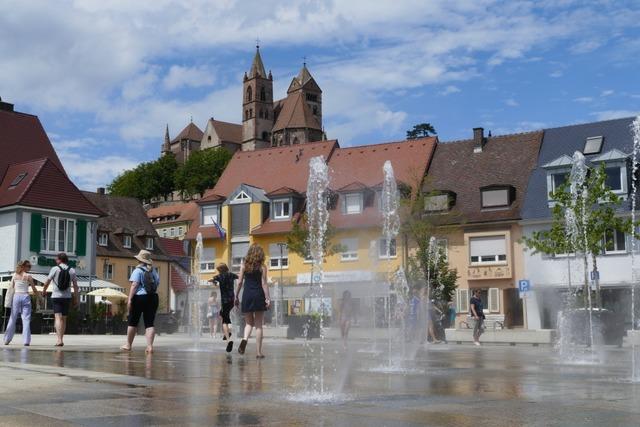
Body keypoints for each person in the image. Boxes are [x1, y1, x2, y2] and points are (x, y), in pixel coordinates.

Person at [235, 244, 271, 358]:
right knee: (259, 325)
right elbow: (264, 284)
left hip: (247, 295)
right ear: (260, 254)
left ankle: (244, 340)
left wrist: (236, 296)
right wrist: (268, 298)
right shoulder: (262, 267)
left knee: (248, 323)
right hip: (259, 295)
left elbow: (239, 282)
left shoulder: (244, 266)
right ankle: (258, 353)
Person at [121, 250, 160, 354]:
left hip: (140, 298)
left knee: (133, 322)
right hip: (153, 297)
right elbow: (157, 284)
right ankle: (150, 346)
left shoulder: (137, 271)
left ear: (139, 260)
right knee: (149, 323)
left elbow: (134, 285)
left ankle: (128, 345)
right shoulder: (154, 271)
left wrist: (129, 299)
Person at [42, 253, 79, 347]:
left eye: (56, 259)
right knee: (64, 319)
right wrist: (76, 298)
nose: (55, 261)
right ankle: (61, 339)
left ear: (59, 260)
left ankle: (58, 340)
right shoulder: (72, 270)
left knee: (58, 317)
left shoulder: (55, 269)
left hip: (56, 296)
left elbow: (47, 281)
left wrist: (44, 290)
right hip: (67, 297)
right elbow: (75, 286)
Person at [4, 260, 40, 346]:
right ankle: (26, 341)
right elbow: (34, 289)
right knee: (26, 319)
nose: (29, 268)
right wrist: (39, 297)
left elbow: (11, 288)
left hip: (16, 296)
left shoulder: (14, 275)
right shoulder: (28, 276)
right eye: (28, 266)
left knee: (12, 318)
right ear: (24, 266)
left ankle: (7, 339)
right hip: (25, 296)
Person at [212, 263, 238, 353]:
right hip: (231, 300)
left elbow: (210, 279)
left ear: (220, 270)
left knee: (224, 321)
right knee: (224, 315)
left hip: (225, 301)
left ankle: (228, 340)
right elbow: (238, 277)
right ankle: (229, 332)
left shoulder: (220, 276)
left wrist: (214, 282)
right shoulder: (231, 275)